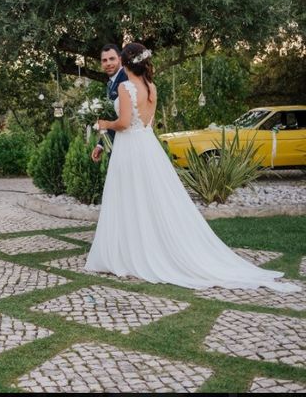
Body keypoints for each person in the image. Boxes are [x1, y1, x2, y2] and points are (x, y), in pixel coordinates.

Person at [84, 42, 300, 292]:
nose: (113, 64)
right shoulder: (151, 86)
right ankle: (141, 248)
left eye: (116, 59)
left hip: (130, 148)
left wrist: (103, 124)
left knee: (129, 197)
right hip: (147, 146)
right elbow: (147, 123)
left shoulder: (125, 87)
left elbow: (122, 123)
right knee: (149, 198)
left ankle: (131, 253)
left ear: (124, 62)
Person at [91, 44, 128, 163]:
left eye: (112, 59)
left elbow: (125, 119)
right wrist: (101, 144)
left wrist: (105, 124)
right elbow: (112, 115)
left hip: (127, 144)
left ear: (120, 59)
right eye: (104, 60)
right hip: (115, 144)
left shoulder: (126, 79)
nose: (108, 63)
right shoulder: (110, 83)